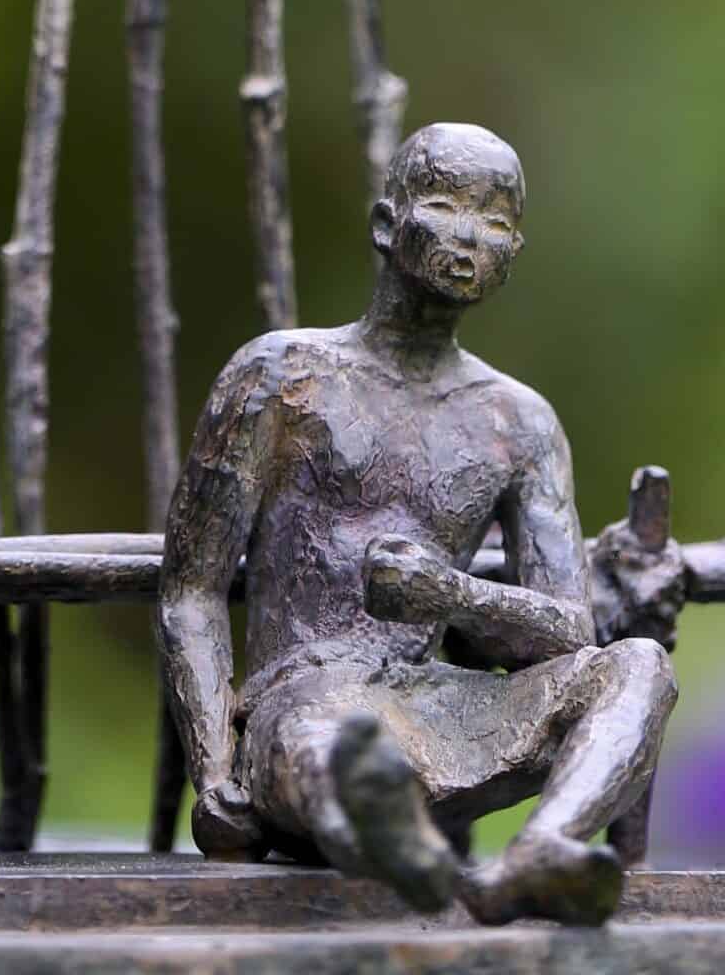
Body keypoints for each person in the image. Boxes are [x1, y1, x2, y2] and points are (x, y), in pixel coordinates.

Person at [157, 122, 675, 926]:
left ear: (514, 251)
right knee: (335, 752)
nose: (469, 237)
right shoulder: (281, 375)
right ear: (384, 224)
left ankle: (539, 853)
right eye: (443, 206)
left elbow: (569, 631)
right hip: (307, 702)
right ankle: (400, 846)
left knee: (635, 665)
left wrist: (451, 595)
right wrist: (215, 771)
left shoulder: (517, 420)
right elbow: (190, 589)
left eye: (495, 221)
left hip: (444, 707)